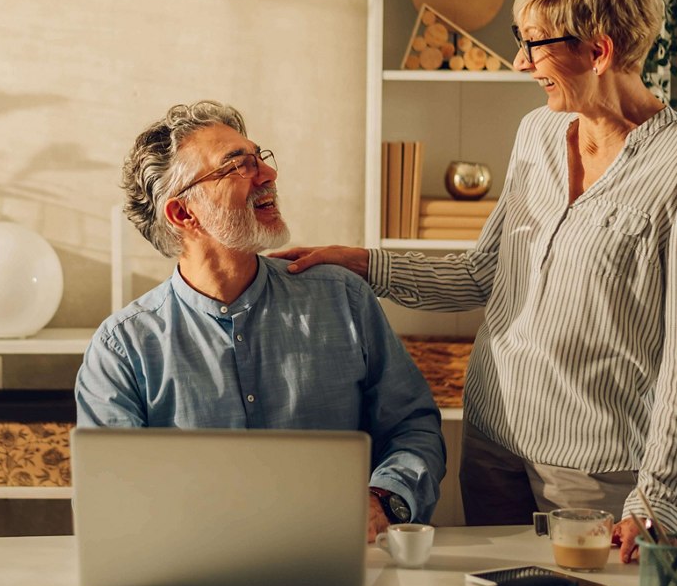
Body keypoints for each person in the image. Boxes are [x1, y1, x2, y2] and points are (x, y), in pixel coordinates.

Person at [272, 0, 677, 563]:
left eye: (536, 44)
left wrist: (658, 501)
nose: (520, 61)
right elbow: (482, 273)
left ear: (599, 51)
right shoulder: (536, 135)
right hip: (492, 445)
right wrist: (362, 262)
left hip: (595, 472)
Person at [75, 100, 446, 541]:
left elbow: (413, 427)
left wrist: (382, 500)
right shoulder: (124, 348)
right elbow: (113, 500)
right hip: (188, 579)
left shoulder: (342, 298)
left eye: (260, 159)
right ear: (182, 213)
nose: (268, 175)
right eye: (238, 166)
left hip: (336, 560)